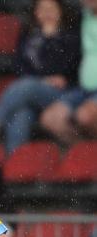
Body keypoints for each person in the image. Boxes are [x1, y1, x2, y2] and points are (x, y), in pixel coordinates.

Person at [0, 0, 81, 154]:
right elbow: (19, 66)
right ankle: (14, 165)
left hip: (63, 94)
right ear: (36, 13)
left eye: (51, 9)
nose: (47, 13)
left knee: (27, 85)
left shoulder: (70, 36)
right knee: (21, 114)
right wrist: (41, 80)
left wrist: (49, 40)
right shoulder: (28, 34)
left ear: (61, 12)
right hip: (32, 92)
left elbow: (66, 68)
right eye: (42, 9)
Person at [38, 0, 97, 145]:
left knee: (85, 117)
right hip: (83, 88)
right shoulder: (79, 18)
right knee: (50, 119)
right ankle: (83, 156)